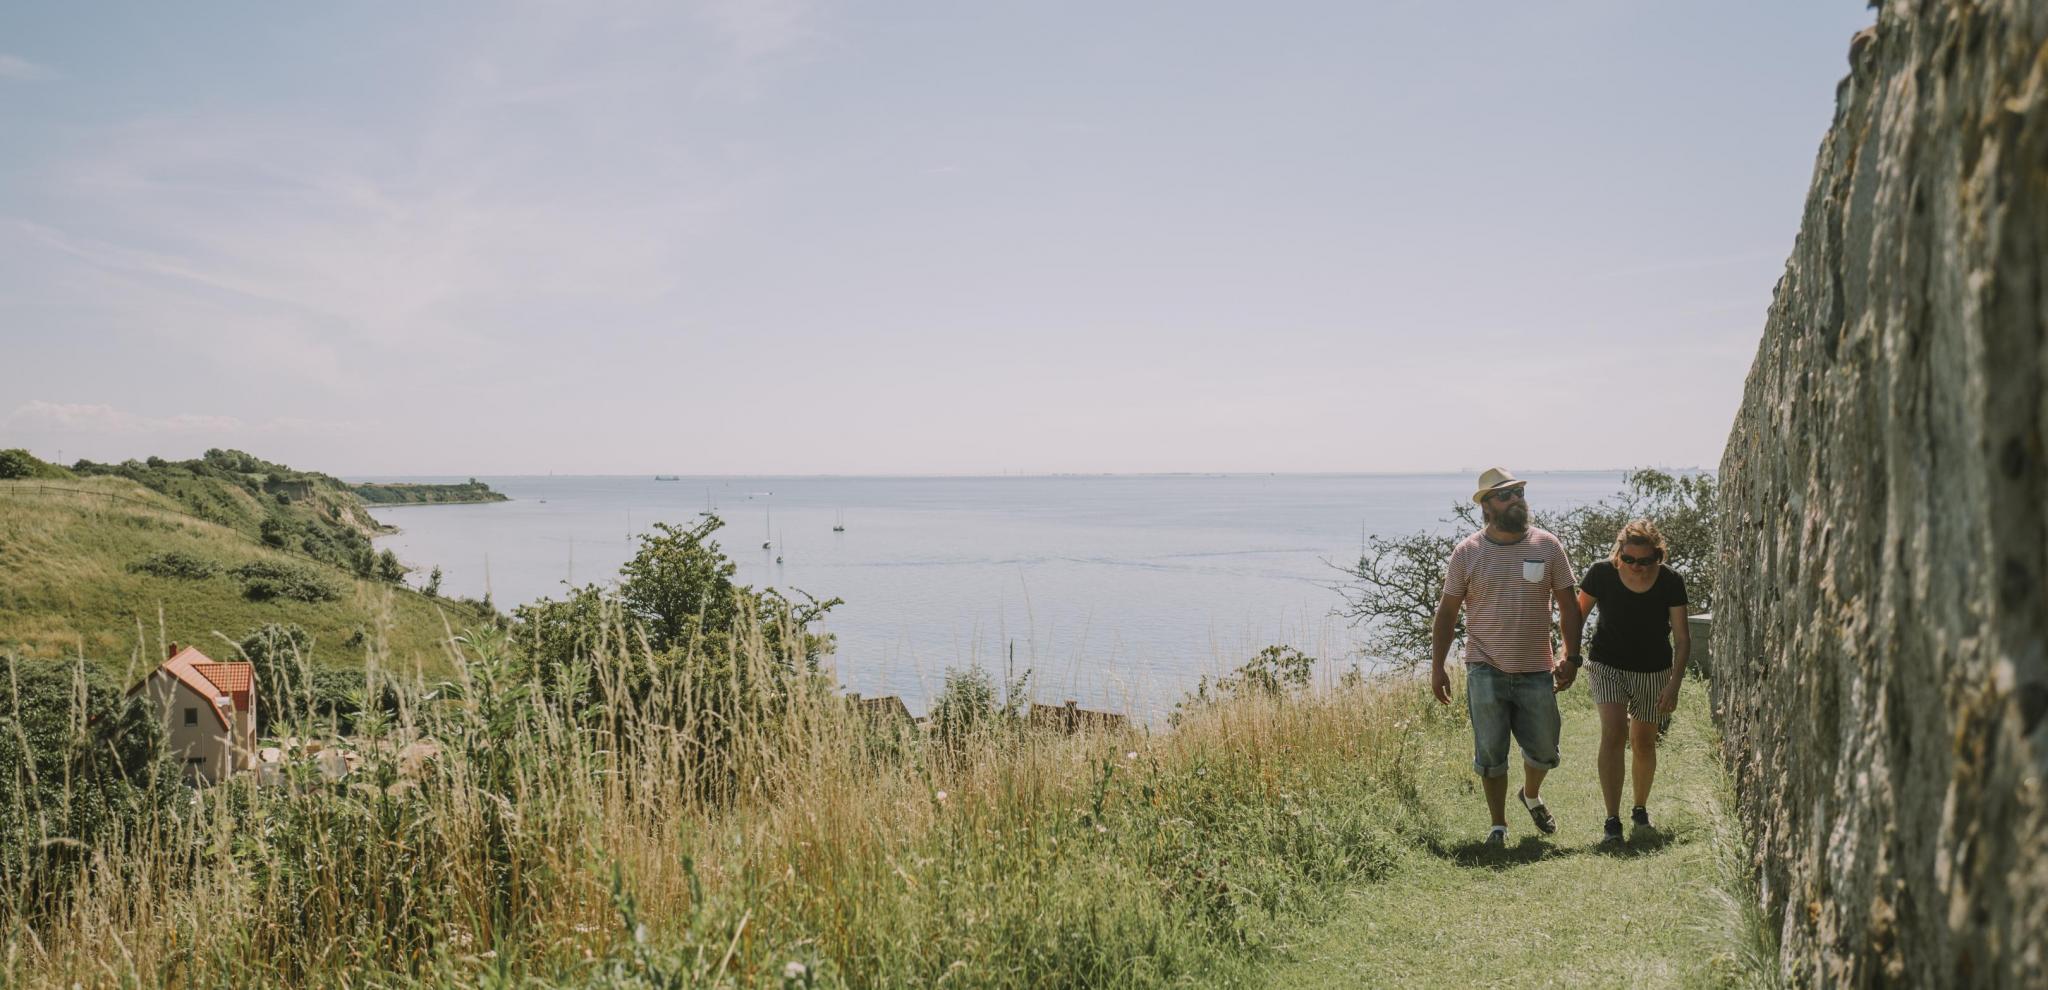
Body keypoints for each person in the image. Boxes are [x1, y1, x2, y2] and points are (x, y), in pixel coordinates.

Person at [1431, 467, 1583, 848]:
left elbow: (1568, 605)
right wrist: (1438, 667)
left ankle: (1530, 794)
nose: (1515, 499)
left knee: (1545, 750)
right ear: (1486, 506)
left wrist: (1572, 656)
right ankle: (1498, 826)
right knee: (1491, 752)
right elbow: (1447, 613)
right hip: (1484, 667)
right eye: (1505, 495)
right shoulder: (1467, 553)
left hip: (1536, 667)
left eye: (1518, 492)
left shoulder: (1548, 546)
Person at [1573, 518, 1690, 843]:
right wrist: (1567, 654)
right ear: (1618, 554)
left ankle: (1639, 807)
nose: (1636, 567)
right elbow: (1576, 616)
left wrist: (1674, 684)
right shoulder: (1601, 573)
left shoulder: (1671, 582)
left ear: (1658, 556)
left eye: (1645, 561)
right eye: (1628, 559)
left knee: (1643, 742)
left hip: (1653, 670)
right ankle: (1612, 820)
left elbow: (1682, 639)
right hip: (1606, 664)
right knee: (1613, 732)